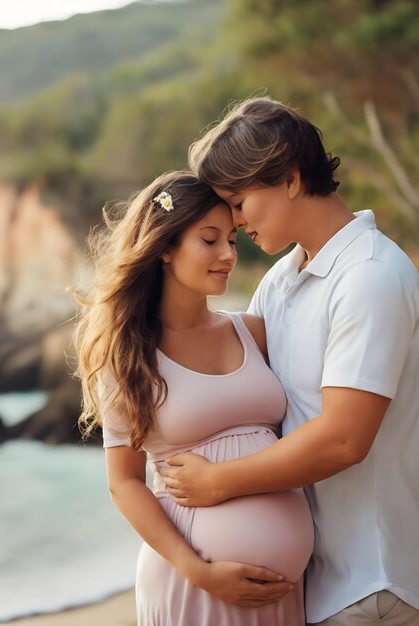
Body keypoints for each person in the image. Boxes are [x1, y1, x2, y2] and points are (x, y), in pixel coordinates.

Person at [161, 98, 419, 626]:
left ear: (290, 178)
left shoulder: (370, 276)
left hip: (369, 578)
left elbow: (343, 439)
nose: (236, 224)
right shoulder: (282, 280)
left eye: (240, 203)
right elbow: (229, 370)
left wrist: (219, 482)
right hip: (316, 579)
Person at [74, 170, 314, 626]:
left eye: (231, 240)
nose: (227, 255)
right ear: (165, 247)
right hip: (192, 586)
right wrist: (199, 572)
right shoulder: (128, 358)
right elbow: (124, 483)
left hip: (282, 594)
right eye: (209, 240)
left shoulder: (253, 331)